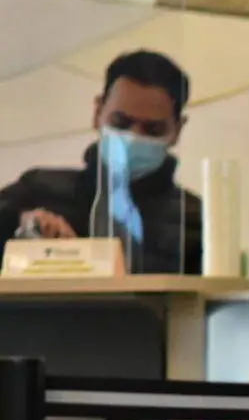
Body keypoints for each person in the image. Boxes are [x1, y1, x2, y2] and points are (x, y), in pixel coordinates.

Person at [0, 50, 201, 274]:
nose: (133, 136)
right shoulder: (39, 190)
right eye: (121, 123)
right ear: (97, 112)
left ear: (177, 130)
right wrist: (18, 222)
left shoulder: (195, 219)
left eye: (153, 129)